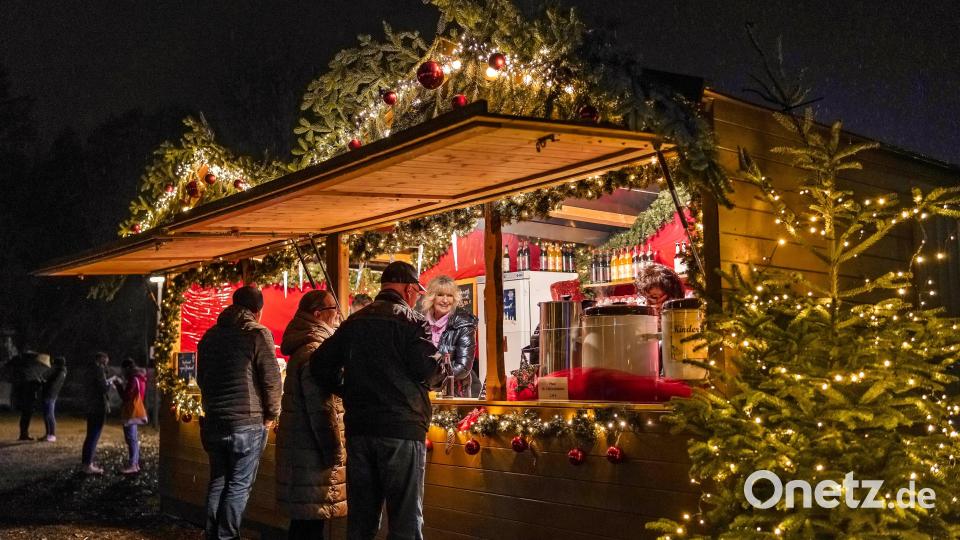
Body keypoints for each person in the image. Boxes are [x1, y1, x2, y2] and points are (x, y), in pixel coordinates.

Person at [311, 261, 447, 540]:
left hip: (361, 430)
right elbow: (430, 372)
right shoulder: (411, 322)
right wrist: (443, 366)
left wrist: (346, 389)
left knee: (361, 522)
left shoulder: (354, 322)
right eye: (416, 293)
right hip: (402, 429)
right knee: (405, 522)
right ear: (409, 290)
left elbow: (320, 364)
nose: (416, 299)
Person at [197, 284, 282, 540]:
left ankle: (212, 535)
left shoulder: (210, 336)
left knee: (218, 481)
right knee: (238, 485)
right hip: (246, 423)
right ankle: (227, 536)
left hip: (214, 420)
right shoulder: (257, 333)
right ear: (258, 311)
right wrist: (271, 415)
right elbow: (271, 380)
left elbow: (201, 379)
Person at [276, 290, 346, 539]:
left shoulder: (305, 346)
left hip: (303, 447)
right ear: (318, 314)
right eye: (333, 309)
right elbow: (320, 407)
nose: (337, 314)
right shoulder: (314, 351)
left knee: (304, 520)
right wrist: (333, 451)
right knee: (310, 521)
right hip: (313, 452)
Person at [421, 276, 479, 397]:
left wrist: (431, 379)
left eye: (450, 295)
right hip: (423, 393)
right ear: (432, 297)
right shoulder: (419, 322)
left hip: (453, 394)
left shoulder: (464, 323)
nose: (445, 300)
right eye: (440, 295)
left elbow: (463, 368)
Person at [115, 358, 148, 474]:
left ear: (128, 368)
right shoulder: (140, 378)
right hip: (134, 411)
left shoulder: (133, 379)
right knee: (133, 439)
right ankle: (135, 464)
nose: (122, 372)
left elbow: (126, 396)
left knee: (131, 439)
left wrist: (119, 386)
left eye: (123, 370)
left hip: (131, 412)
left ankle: (133, 465)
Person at [81, 352, 112, 474]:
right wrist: (110, 383)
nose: (106, 364)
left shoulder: (88, 370)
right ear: (101, 359)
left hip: (90, 406)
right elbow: (103, 388)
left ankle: (85, 463)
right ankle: (88, 465)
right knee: (94, 435)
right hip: (98, 407)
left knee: (90, 435)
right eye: (106, 361)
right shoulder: (98, 370)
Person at [11, 351, 48, 441]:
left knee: (24, 417)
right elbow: (32, 387)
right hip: (28, 399)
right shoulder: (28, 374)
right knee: (26, 417)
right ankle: (24, 434)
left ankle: (23, 433)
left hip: (25, 398)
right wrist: (39, 382)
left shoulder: (22, 373)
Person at [41, 355, 67, 442]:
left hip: (50, 394)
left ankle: (52, 434)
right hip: (50, 394)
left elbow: (52, 384)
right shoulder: (59, 372)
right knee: (46, 414)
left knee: (49, 415)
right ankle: (48, 433)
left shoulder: (59, 372)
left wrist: (44, 382)